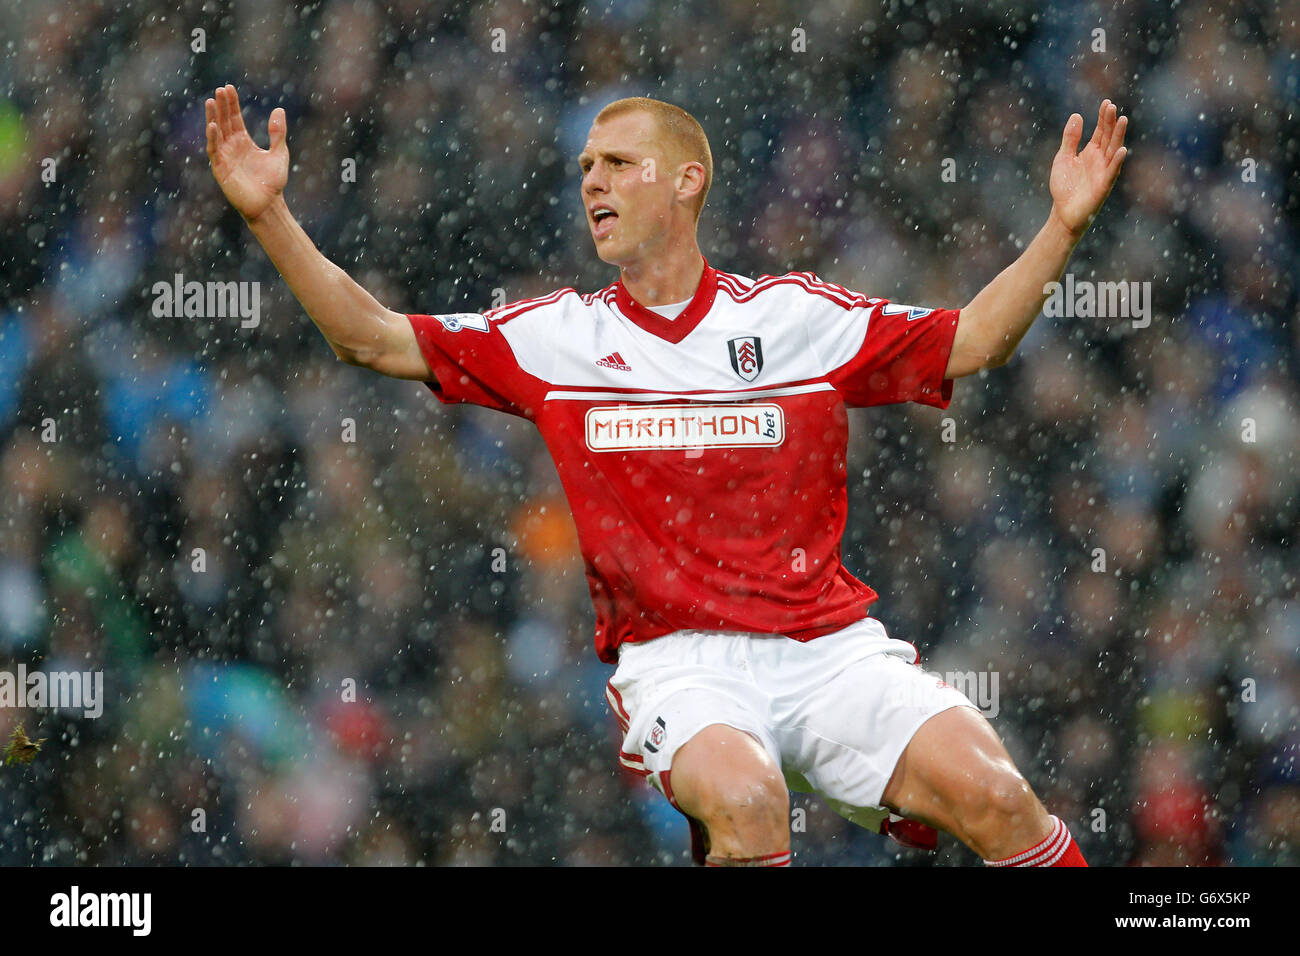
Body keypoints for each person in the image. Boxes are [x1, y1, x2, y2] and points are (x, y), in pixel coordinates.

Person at [204, 84, 1127, 867]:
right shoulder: (556, 337)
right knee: (750, 802)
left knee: (1000, 798)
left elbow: (975, 340)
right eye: (584, 171)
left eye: (615, 164)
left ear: (687, 181)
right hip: (682, 665)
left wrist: (1061, 226)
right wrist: (268, 215)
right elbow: (367, 337)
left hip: (830, 649)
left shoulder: (797, 318)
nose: (591, 182)